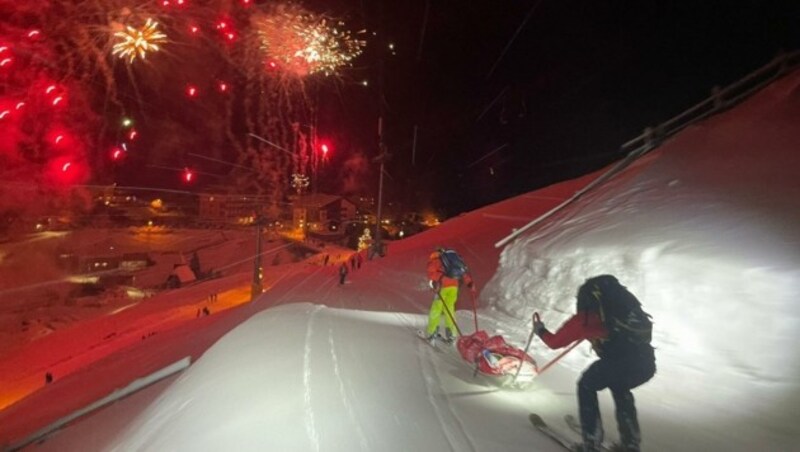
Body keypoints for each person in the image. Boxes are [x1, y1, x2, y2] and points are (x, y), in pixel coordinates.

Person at [533, 275, 656, 452]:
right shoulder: (627, 311)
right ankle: (631, 444)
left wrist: (540, 330)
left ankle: (591, 442)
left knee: (586, 385)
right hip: (646, 363)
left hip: (619, 362)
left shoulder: (587, 318)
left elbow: (555, 342)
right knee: (620, 388)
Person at [425, 247, 475, 344]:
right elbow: (463, 272)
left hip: (442, 287)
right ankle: (451, 334)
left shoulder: (437, 260)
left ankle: (432, 332)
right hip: (454, 287)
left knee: (436, 309)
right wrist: (470, 283)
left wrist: (436, 281)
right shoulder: (453, 261)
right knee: (449, 309)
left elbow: (431, 272)